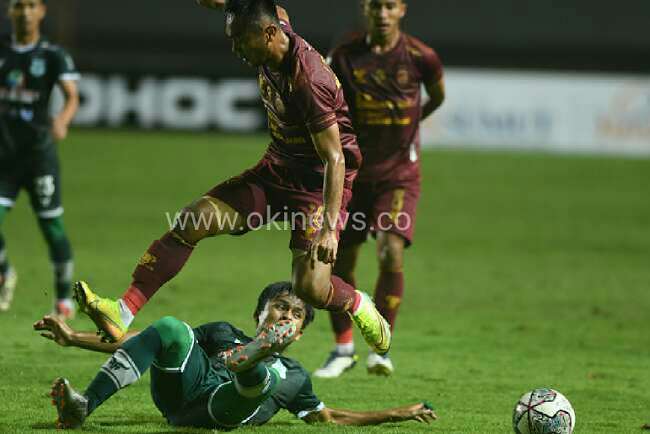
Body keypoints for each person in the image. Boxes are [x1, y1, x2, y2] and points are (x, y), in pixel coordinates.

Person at [73, 0, 391, 357]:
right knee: (193, 219)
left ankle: (358, 304)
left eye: (241, 39)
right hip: (276, 171)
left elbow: (335, 158)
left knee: (311, 288)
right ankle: (124, 309)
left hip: (316, 187)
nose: (236, 48)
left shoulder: (308, 81)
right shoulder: (276, 25)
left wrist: (330, 227)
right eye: (232, 38)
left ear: (270, 34)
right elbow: (268, 6)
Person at [35, 282, 437, 429]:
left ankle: (253, 362)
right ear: (259, 314)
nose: (286, 315)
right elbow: (148, 340)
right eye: (280, 307)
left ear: (297, 334)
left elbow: (328, 417)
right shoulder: (224, 332)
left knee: (268, 378)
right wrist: (73, 339)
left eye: (297, 315)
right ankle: (83, 406)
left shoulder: (296, 375)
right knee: (172, 327)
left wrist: (394, 413)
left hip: (221, 410)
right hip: (181, 395)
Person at [314, 0, 445, 378]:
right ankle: (342, 351)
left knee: (390, 251)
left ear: (402, 9)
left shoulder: (422, 57)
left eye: (389, 5)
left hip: (399, 175)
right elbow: (326, 102)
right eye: (375, 6)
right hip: (353, 174)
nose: (382, 13)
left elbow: (437, 97)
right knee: (341, 260)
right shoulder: (344, 55)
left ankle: (381, 348)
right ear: (365, 9)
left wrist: (411, 129)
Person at [0, 0, 80, 317]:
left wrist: (62, 119)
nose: (24, 11)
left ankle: (63, 297)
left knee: (52, 228)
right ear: (10, 12)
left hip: (38, 158)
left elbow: (71, 96)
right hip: (4, 159)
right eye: (18, 5)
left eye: (31, 5)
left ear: (42, 11)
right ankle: (5, 271)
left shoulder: (52, 54)